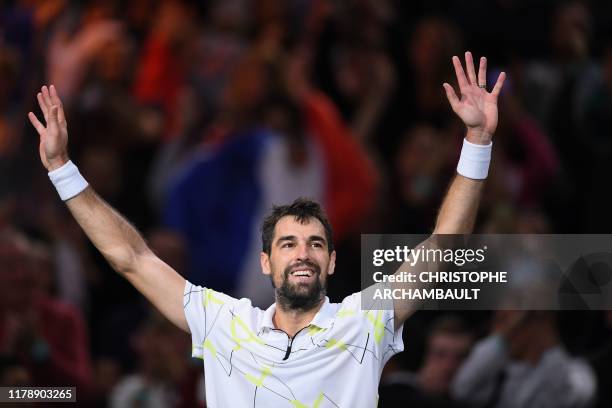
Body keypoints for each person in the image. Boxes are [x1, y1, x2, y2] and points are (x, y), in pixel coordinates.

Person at [27, 51, 505, 406]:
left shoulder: (364, 321)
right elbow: (131, 258)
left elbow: (444, 246)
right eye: (288, 243)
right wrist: (63, 169)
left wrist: (477, 141)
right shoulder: (225, 324)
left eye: (316, 243)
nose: (302, 253)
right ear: (265, 261)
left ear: (332, 261)